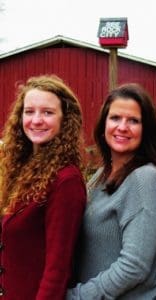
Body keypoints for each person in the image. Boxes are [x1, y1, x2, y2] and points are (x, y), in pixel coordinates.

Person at [66, 83, 156, 299]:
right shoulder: (101, 175)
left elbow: (135, 266)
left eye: (133, 121)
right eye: (115, 118)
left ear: (146, 129)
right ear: (104, 124)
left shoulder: (145, 179)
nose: (122, 127)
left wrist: (78, 296)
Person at [0, 75, 87, 300]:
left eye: (47, 112)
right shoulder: (20, 168)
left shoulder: (65, 180)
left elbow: (57, 270)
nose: (36, 120)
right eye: (29, 111)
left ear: (64, 119)